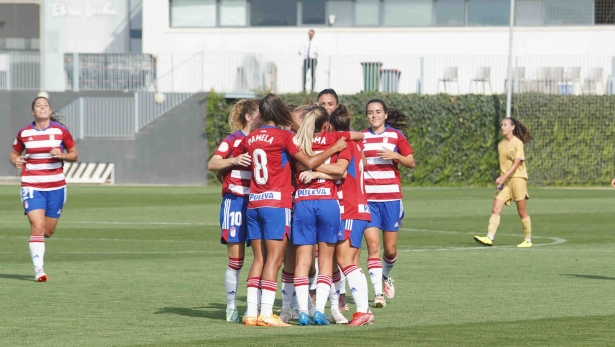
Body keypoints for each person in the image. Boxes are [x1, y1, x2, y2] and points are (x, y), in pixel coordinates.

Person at [232, 94, 347, 327]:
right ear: (280, 112)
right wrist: (333, 147)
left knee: (259, 259)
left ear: (261, 114)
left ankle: (251, 313)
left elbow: (237, 156)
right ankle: (266, 313)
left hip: (254, 203)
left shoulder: (251, 138)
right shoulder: (285, 137)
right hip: (276, 203)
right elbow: (311, 163)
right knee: (274, 260)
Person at [299, 104, 374, 326]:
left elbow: (340, 171)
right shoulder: (351, 144)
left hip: (348, 206)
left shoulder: (345, 144)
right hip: (354, 206)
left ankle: (362, 310)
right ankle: (345, 308)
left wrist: (314, 172)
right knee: (341, 261)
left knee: (344, 260)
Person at [9, 97, 78, 282]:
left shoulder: (61, 131)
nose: (42, 108)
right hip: (32, 185)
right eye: (38, 106)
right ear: (33, 112)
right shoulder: (24, 133)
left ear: (50, 110)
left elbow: (74, 154)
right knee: (37, 227)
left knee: (47, 231)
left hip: (56, 187)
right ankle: (39, 270)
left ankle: (39, 251)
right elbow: (14, 152)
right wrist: (15, 160)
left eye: (45, 105)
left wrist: (62, 155)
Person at [207, 99, 262, 322]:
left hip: (259, 203)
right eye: (260, 114)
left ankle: (253, 306)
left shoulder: (263, 139)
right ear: (249, 116)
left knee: (263, 258)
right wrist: (234, 160)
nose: (264, 117)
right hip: (236, 201)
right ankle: (231, 306)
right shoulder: (233, 139)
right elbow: (213, 163)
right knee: (236, 260)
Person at [362, 99, 415, 308]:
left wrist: (395, 156)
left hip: (391, 199)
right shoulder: (362, 137)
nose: (374, 115)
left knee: (390, 250)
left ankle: (386, 275)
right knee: (373, 246)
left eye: (378, 112)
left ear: (385, 115)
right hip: (369, 200)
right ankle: (377, 294)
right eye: (370, 112)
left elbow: (411, 162)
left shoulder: (395, 136)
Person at [474, 118, 534, 248]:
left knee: (521, 211)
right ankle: (489, 237)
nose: (502, 127)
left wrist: (503, 176)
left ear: (512, 127)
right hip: (505, 181)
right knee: (495, 208)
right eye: (501, 124)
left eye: (505, 124)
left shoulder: (518, 143)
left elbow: (517, 162)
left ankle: (528, 239)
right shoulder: (500, 144)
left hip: (518, 179)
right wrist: (502, 178)